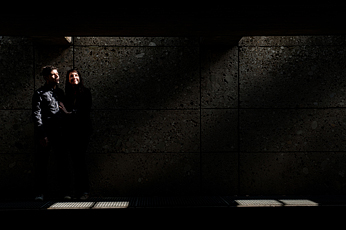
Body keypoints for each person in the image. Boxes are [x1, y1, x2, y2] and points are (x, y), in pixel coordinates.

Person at [32, 65, 68, 201]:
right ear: (46, 77)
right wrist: (42, 134)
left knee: (62, 163)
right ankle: (40, 193)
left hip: (59, 133)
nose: (57, 76)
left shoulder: (60, 93)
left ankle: (65, 192)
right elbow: (37, 114)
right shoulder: (39, 93)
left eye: (57, 74)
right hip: (46, 134)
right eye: (53, 74)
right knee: (42, 164)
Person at [59, 68, 92, 200]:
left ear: (80, 77)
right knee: (75, 162)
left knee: (80, 161)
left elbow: (85, 111)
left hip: (83, 132)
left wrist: (69, 113)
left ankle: (84, 191)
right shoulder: (67, 95)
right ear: (68, 80)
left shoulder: (86, 92)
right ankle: (78, 192)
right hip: (71, 133)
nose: (74, 78)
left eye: (76, 75)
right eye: (71, 76)